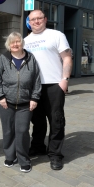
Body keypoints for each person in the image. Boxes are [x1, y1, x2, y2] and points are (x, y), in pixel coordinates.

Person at [24, 9, 73, 170]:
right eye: (33, 20)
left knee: (56, 120)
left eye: (39, 18)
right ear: (29, 22)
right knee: (37, 120)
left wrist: (64, 80)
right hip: (33, 87)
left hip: (54, 84)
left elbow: (67, 57)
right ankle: (38, 146)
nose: (36, 22)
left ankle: (55, 154)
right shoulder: (25, 40)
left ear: (45, 19)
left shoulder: (56, 35)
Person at [0, 32, 41, 173]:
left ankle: (23, 159)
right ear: (8, 45)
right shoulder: (3, 58)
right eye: (12, 42)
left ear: (22, 43)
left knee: (22, 131)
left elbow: (37, 80)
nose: (15, 44)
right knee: (8, 130)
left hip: (25, 103)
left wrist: (34, 98)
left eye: (18, 41)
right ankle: (10, 156)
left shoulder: (31, 58)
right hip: (6, 103)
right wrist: (0, 96)